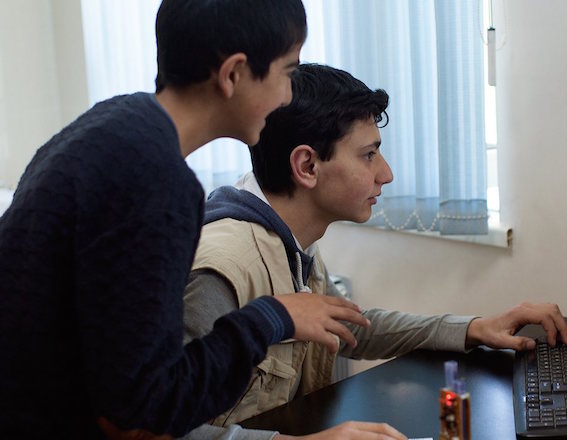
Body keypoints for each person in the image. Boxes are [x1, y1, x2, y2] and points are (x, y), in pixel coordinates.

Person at [0, 2, 382, 438]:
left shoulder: (110, 127)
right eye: (286, 72)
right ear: (234, 74)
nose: (287, 96)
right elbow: (149, 407)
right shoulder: (156, 180)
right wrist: (272, 317)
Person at [181, 63, 567, 439]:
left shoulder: (289, 240)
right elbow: (158, 431)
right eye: (369, 155)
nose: (386, 174)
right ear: (307, 166)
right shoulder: (221, 271)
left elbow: (349, 325)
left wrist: (473, 328)